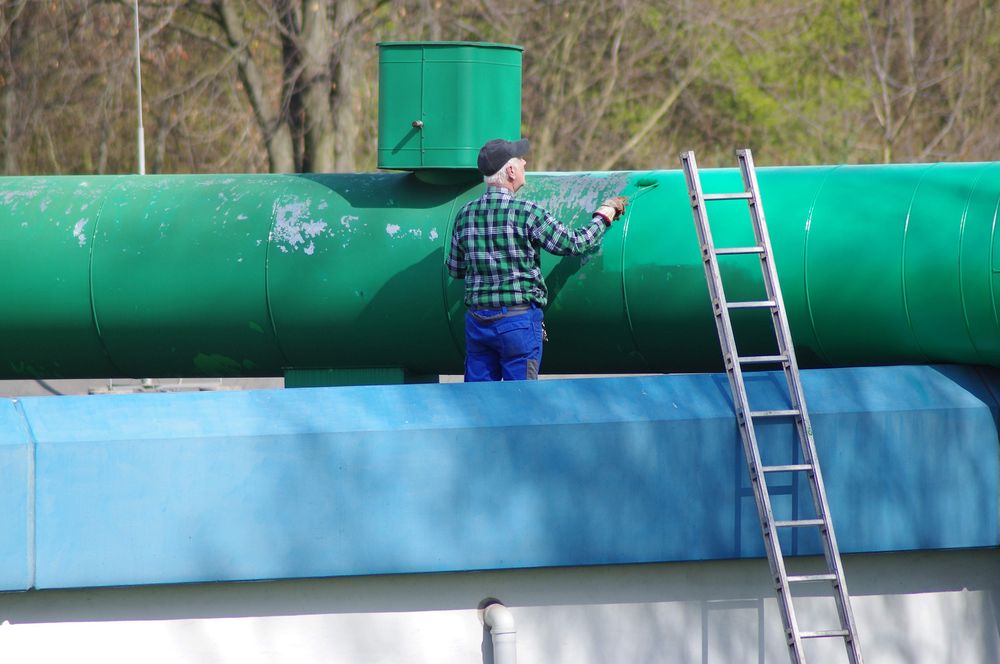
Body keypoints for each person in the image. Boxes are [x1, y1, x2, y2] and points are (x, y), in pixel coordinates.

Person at [446, 137, 628, 382]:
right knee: (522, 401)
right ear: (510, 171)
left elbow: (456, 270)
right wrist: (604, 216)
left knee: (479, 403)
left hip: (478, 323)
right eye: (520, 160)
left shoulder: (464, 215)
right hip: (518, 323)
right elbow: (574, 243)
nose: (525, 163)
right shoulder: (527, 212)